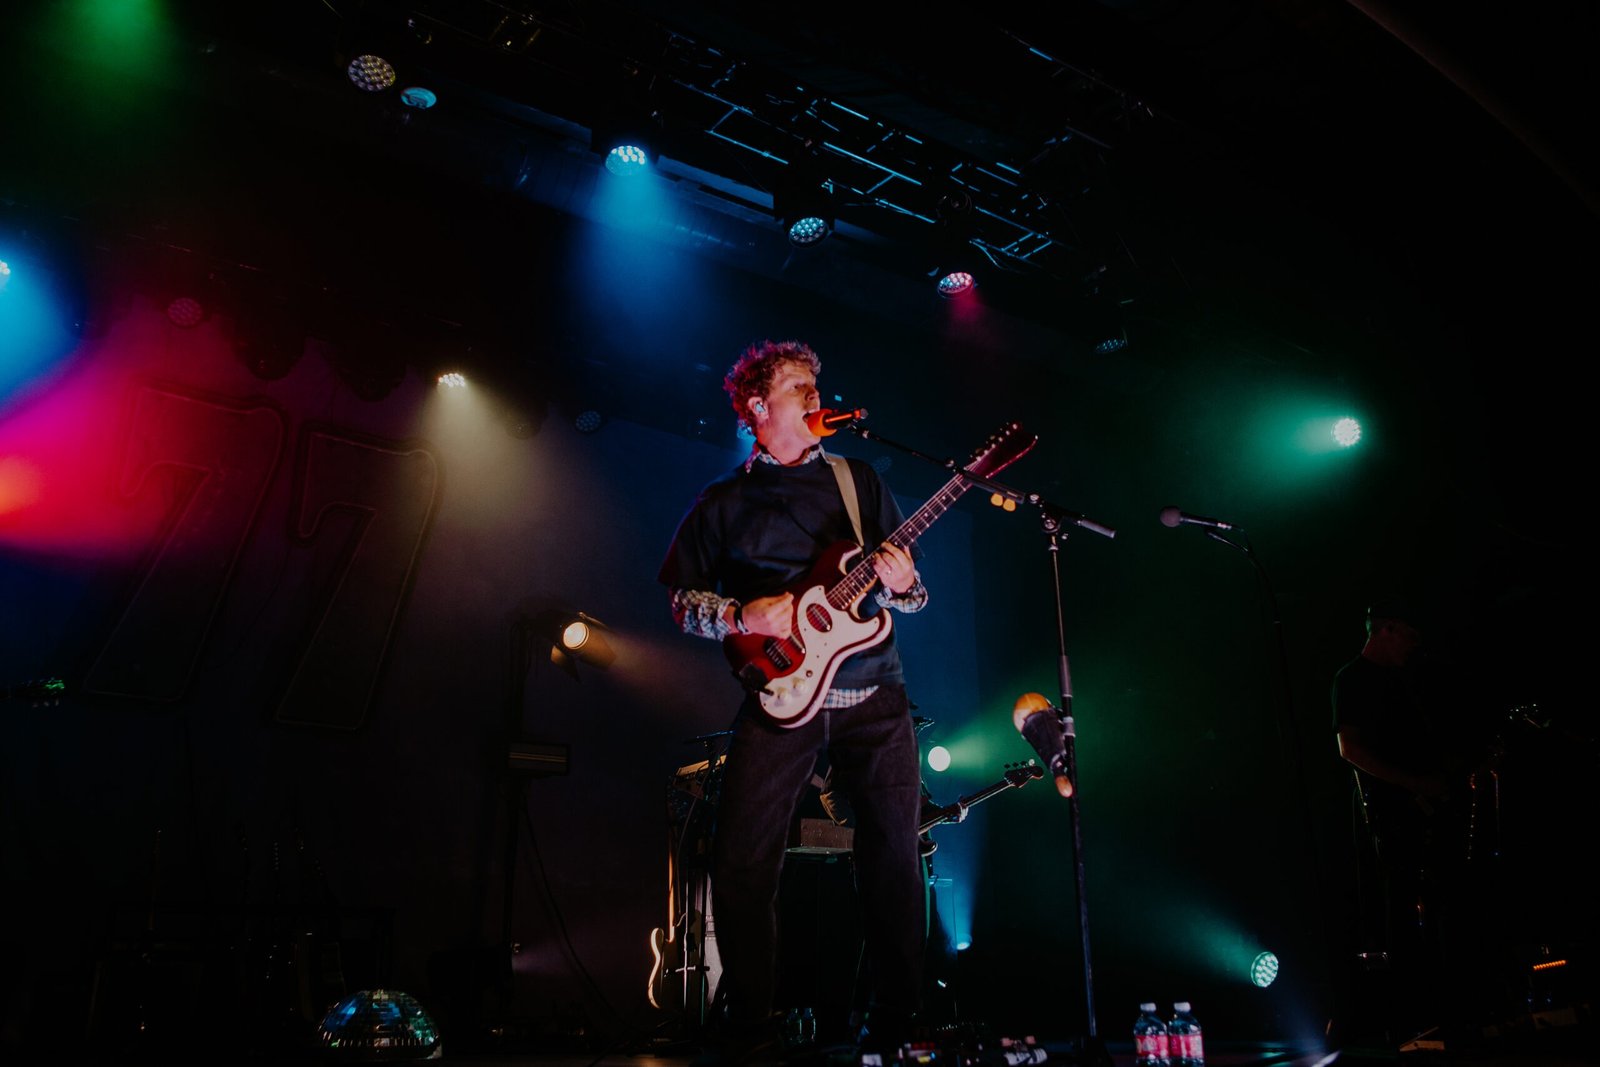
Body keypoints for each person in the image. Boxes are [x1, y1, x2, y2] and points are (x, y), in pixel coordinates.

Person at [658, 339, 929, 1064]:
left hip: (874, 692)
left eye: (817, 385)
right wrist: (739, 615)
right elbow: (680, 602)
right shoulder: (723, 501)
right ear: (757, 406)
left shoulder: (857, 480)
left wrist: (904, 585)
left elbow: (914, 595)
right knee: (743, 862)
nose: (815, 397)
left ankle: (897, 1018)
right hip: (780, 694)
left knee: (894, 856)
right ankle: (752, 1025)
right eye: (799, 387)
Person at [1330, 597, 1503, 1046]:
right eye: (1409, 634)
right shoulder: (1352, 679)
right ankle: (1410, 1017)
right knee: (1403, 908)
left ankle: (1455, 1011)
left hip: (1432, 805)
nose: (1414, 644)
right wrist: (1415, 784)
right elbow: (1350, 749)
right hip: (1396, 812)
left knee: (1451, 900)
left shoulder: (1412, 679)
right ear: (1386, 629)